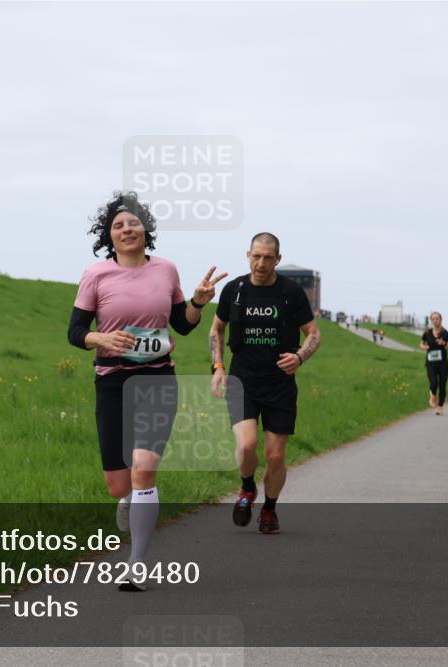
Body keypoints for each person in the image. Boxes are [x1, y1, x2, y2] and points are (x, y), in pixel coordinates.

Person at [67, 191, 227, 590]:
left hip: (157, 379)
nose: (127, 229)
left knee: (144, 469)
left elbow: (183, 323)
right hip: (112, 381)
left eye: (133, 223)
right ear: (109, 235)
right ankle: (126, 500)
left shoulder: (166, 270)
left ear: (145, 230)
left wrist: (197, 302)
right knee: (119, 485)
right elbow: (74, 332)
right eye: (119, 225)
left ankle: (136, 565)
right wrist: (100, 340)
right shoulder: (95, 276)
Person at [210, 233, 321, 535]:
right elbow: (217, 329)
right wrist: (218, 366)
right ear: (248, 255)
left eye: (268, 257)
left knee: (275, 455)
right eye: (256, 256)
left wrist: (299, 357)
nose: (261, 263)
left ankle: (269, 509)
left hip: (280, 385)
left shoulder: (291, 292)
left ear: (278, 259)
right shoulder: (234, 290)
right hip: (242, 380)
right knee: (246, 446)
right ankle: (247, 489)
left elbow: (313, 333)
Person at [420, 312, 448, 414]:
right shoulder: (427, 333)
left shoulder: (446, 334)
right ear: (431, 320)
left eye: (437, 318)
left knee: (442, 385)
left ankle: (440, 407)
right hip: (430, 363)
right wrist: (424, 347)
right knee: (434, 383)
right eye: (433, 319)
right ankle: (433, 395)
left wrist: (444, 344)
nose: (435, 320)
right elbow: (421, 343)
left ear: (440, 320)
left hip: (443, 363)